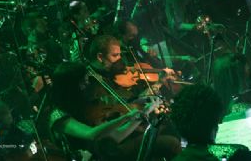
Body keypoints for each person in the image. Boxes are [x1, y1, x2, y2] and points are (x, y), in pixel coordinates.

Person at [49, 61, 181, 161]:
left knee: (167, 129)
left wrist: (141, 112)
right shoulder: (59, 116)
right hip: (101, 156)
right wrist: (128, 116)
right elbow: (92, 134)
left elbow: (115, 136)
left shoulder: (84, 107)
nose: (87, 86)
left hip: (110, 146)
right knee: (170, 143)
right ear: (71, 88)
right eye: (83, 83)